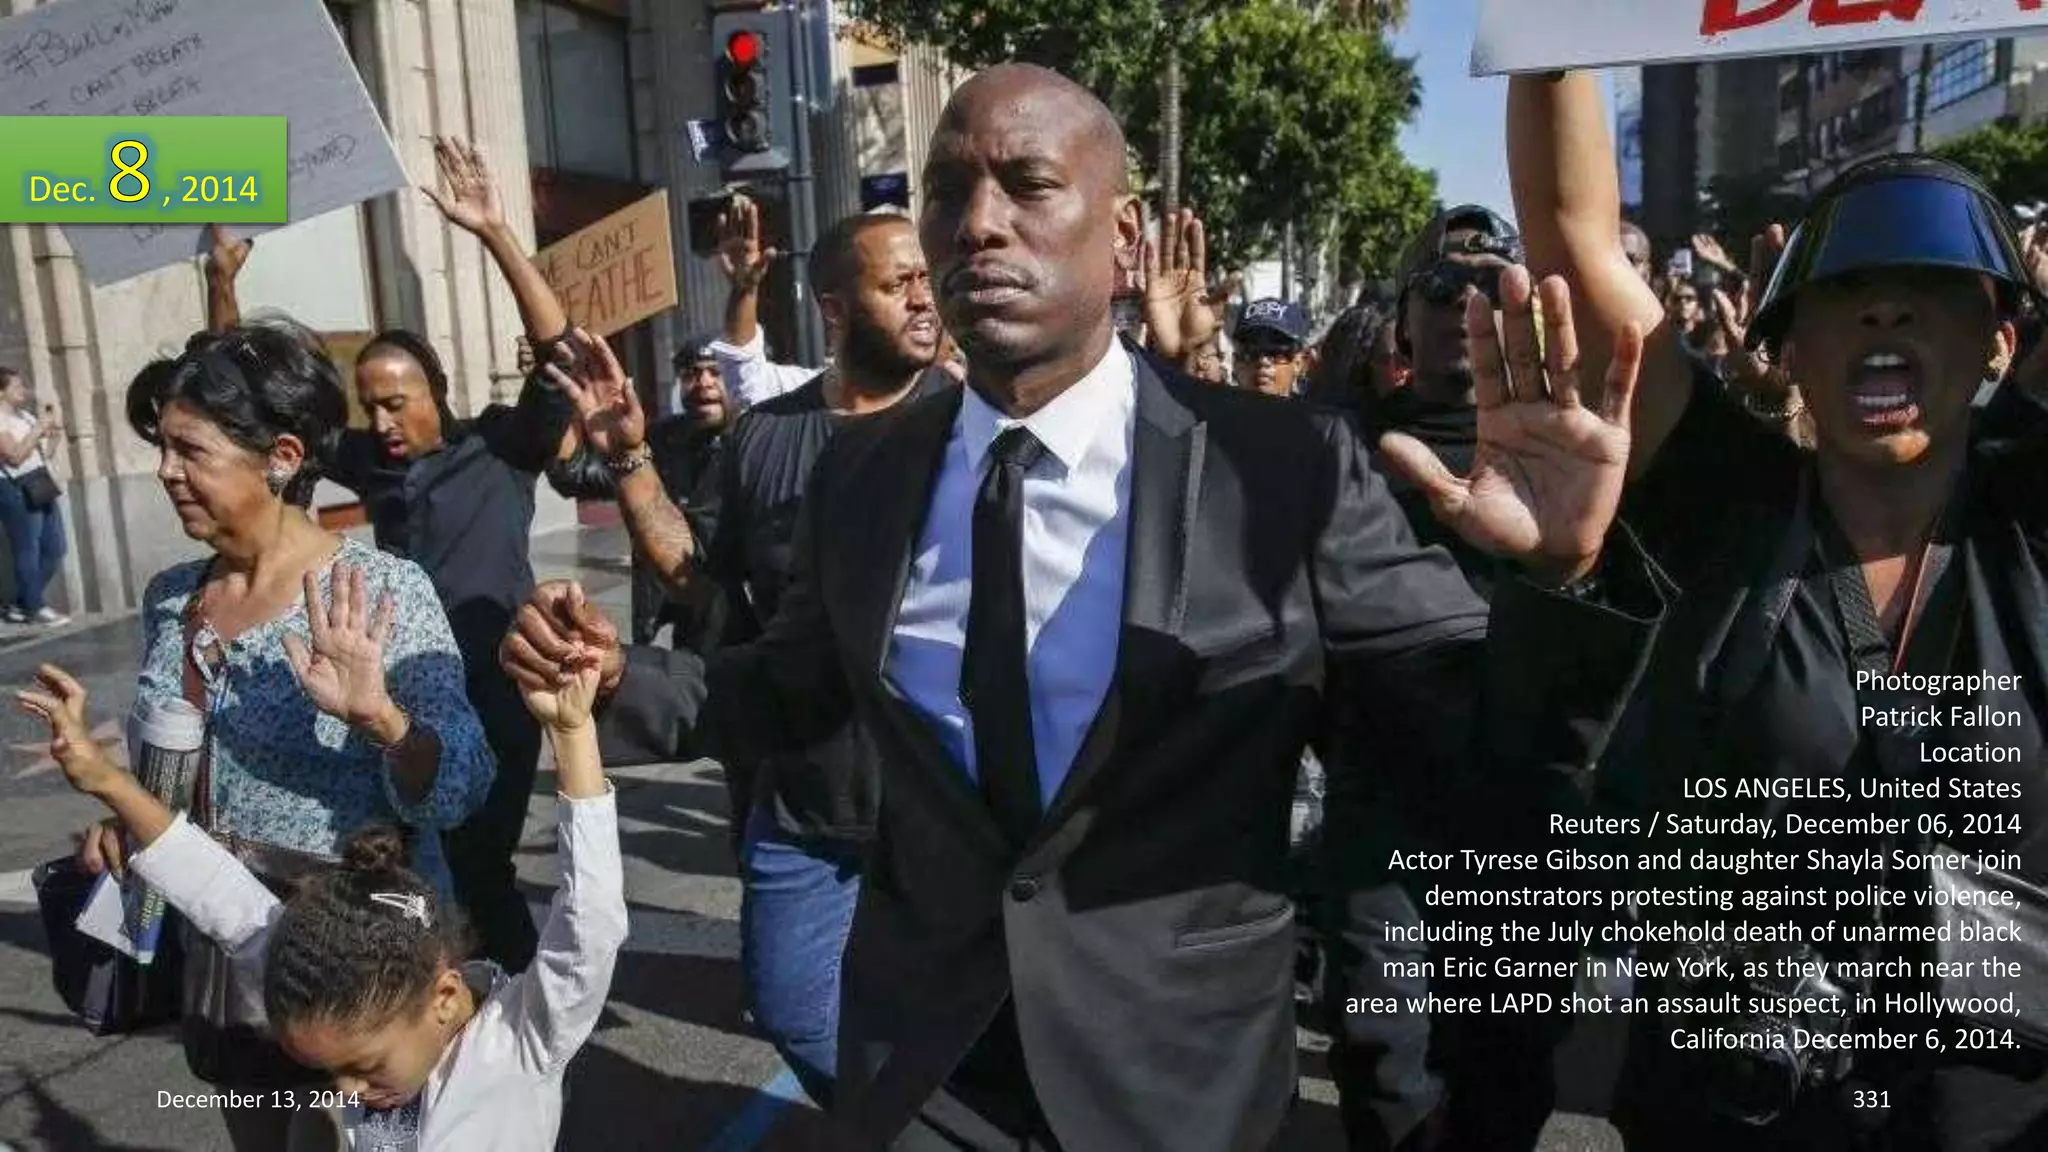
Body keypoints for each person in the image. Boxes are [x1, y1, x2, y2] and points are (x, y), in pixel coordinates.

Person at [505, 64, 1666, 1152]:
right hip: (925, 1067)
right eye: (948, 190)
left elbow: (1469, 750)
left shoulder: (1283, 466)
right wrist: (617, 682)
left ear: (1121, 239)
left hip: (1177, 1078)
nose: (976, 223)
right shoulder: (860, 471)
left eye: (1026, 184)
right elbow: (796, 679)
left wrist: (1558, 581)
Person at [1510, 70, 2048, 1151]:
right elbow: (1575, 245)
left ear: (1999, 342)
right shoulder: (1723, 504)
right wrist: (1552, 39)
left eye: (1929, 289)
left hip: (1998, 1116)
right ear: (1786, 345)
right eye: (1845, 291)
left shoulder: (2032, 516)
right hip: (1730, 1108)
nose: (1884, 309)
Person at [553, 208, 953, 1107]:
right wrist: (629, 460)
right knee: (791, 999)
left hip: (940, 802)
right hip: (801, 788)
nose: (926, 299)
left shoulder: (969, 424)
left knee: (958, 1009)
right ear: (837, 309)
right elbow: (694, 577)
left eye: (928, 280)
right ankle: (898, 1118)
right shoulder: (764, 436)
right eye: (901, 284)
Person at [82, 322, 495, 1149]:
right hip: (230, 965)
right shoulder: (174, 597)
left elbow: (463, 789)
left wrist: (382, 718)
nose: (166, 472)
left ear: (279, 456)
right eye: (163, 446)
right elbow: (180, 769)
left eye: (190, 451)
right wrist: (127, 818)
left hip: (359, 972)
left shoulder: (381, 590)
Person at [21, 585, 624, 1151]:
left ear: (443, 998)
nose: (345, 1093)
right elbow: (211, 886)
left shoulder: (522, 1039)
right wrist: (104, 780)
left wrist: (572, 734)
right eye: (334, 1072)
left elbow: (588, 928)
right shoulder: (326, 975)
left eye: (361, 1066)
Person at [209, 137, 578, 974]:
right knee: (408, 870)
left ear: (436, 394)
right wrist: (222, 283)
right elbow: (245, 407)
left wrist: (492, 231)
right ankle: (419, 1010)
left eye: (397, 403)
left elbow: (561, 353)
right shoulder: (372, 462)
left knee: (482, 868)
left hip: (498, 686)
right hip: (396, 693)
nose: (382, 421)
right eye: (369, 405)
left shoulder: (503, 445)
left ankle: (530, 1021)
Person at [1369, 205, 1526, 598]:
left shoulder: (1557, 445)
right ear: (1403, 321)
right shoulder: (1346, 446)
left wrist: (1571, 562)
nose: (1470, 300)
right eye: (1443, 283)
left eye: (1493, 283)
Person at [546, 335, 737, 651]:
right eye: (691, 374)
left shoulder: (756, 445)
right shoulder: (658, 438)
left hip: (742, 624)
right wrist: (557, 393)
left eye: (715, 372)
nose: (704, 382)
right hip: (672, 626)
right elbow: (575, 475)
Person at [0, 365, 70, 625]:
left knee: (56, 547)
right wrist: (38, 429)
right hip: (14, 488)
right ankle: (35, 607)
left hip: (41, 483)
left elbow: (43, 455)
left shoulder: (25, 417)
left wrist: (53, 435)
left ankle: (21, 602)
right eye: (16, 387)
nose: (23, 391)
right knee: (27, 547)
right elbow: (15, 457)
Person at [1232, 298, 1312, 396]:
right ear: (1235, 362)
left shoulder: (1313, 411)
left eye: (1276, 350)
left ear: (1298, 363)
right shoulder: (1213, 410)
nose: (1263, 361)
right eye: (1251, 351)